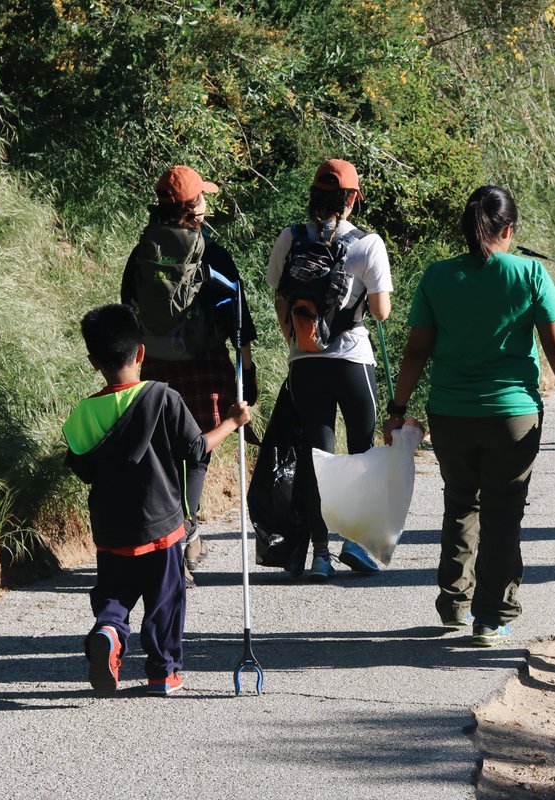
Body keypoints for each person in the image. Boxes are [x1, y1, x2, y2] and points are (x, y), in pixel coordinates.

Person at [385, 186, 555, 647]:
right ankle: (492, 616)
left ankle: (455, 604)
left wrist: (397, 410)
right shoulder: (530, 273)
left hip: (451, 413)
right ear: (509, 230)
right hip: (512, 417)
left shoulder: (438, 277)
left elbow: (416, 351)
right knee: (503, 512)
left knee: (461, 502)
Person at [64, 304, 249, 696]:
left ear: (93, 361)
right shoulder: (163, 397)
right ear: (142, 352)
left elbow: (84, 468)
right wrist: (231, 423)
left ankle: (109, 633)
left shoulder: (82, 414)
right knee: (165, 598)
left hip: (111, 528)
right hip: (162, 524)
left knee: (113, 594)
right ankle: (164, 673)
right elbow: (196, 450)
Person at [120, 166, 258, 585]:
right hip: (204, 361)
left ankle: (173, 531)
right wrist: (246, 371)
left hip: (156, 363)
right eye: (203, 197)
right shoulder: (211, 252)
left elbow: (126, 304)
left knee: (162, 448)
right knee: (197, 446)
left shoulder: (143, 251)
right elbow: (238, 318)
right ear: (194, 205)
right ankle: (187, 531)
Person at [266, 158, 392, 581]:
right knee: (361, 455)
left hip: (305, 363)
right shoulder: (367, 243)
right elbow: (381, 311)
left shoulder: (291, 236)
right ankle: (354, 543)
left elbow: (280, 297)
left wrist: (297, 340)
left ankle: (319, 555)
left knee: (316, 456)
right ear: (353, 198)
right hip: (352, 360)